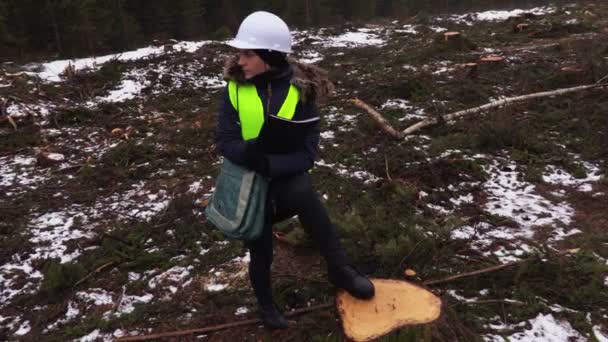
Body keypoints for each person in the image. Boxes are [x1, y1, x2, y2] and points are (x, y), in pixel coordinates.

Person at [215, 11, 375, 329]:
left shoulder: (300, 90)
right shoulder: (234, 90)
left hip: (283, 179)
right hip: (249, 187)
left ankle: (340, 269)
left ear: (270, 55)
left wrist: (273, 164)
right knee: (260, 247)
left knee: (305, 193)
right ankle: (265, 303)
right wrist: (251, 154)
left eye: (248, 53)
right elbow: (226, 141)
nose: (240, 60)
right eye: (240, 53)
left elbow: (307, 153)